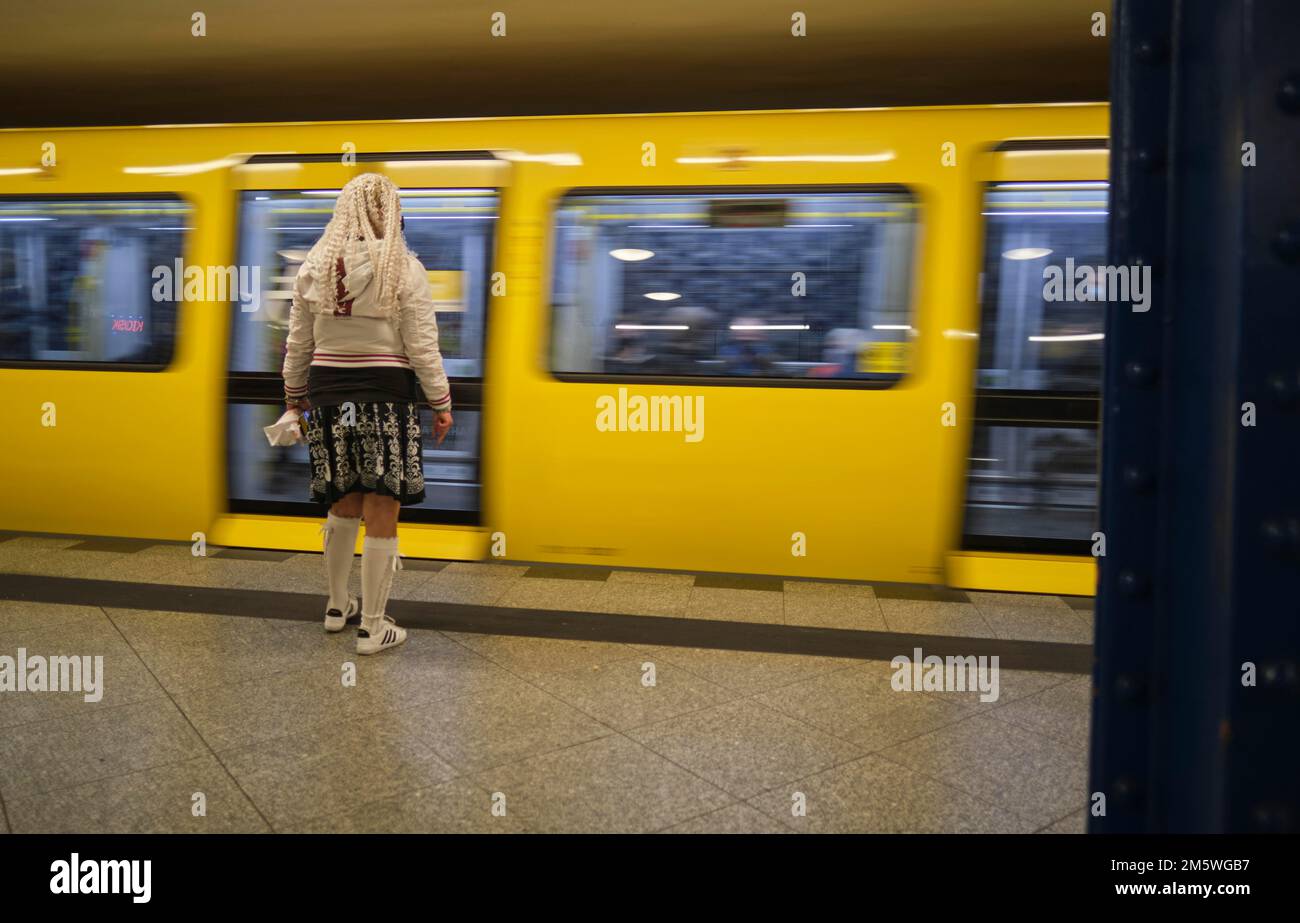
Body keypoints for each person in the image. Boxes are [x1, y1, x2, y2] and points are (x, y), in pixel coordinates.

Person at [281, 173, 453, 655]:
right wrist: (440, 402)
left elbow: (299, 343)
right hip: (386, 397)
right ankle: (373, 628)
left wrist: (294, 396)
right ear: (392, 213)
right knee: (383, 503)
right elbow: (422, 346)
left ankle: (338, 607)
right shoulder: (403, 268)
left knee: (343, 499)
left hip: (331, 397)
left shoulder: (314, 268)